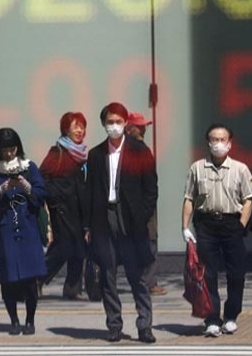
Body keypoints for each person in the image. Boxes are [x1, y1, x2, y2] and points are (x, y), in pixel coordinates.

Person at [82, 102, 158, 344]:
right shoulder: (96, 154)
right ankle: (114, 324)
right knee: (108, 276)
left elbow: (151, 189)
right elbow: (89, 191)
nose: (114, 126)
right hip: (104, 219)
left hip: (131, 220)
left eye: (118, 121)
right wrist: (88, 226)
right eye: (109, 122)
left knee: (138, 277)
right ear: (104, 124)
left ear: (126, 123)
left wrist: (142, 215)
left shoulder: (140, 151)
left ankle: (144, 325)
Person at [182, 123, 252, 337]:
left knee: (236, 273)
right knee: (207, 275)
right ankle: (212, 319)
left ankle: (231, 316)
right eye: (214, 139)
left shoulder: (240, 169)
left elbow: (249, 199)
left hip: (231, 224)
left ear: (230, 143)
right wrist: (184, 226)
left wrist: (241, 225)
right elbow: (188, 198)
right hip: (206, 224)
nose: (218, 144)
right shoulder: (197, 168)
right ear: (208, 143)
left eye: (222, 139)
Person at [0, 128, 47, 335]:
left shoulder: (29, 167)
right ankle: (13, 320)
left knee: (30, 279)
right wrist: (2, 189)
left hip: (28, 229)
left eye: (12, 149)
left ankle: (30, 321)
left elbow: (41, 194)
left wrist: (26, 186)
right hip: (6, 230)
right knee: (8, 278)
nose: (9, 154)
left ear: (17, 148)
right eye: (4, 150)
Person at [39, 112, 88, 300]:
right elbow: (43, 178)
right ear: (65, 129)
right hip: (61, 208)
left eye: (82, 126)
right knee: (64, 246)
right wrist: (54, 198)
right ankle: (38, 278)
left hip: (79, 209)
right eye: (75, 126)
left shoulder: (82, 154)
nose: (79, 130)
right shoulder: (57, 152)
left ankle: (72, 288)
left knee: (79, 247)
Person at [126, 111, 166, 296]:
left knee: (149, 240)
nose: (143, 130)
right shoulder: (133, 149)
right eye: (138, 126)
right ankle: (147, 282)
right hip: (134, 205)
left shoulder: (141, 149)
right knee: (147, 241)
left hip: (144, 204)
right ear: (129, 128)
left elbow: (151, 182)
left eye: (144, 126)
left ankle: (149, 281)